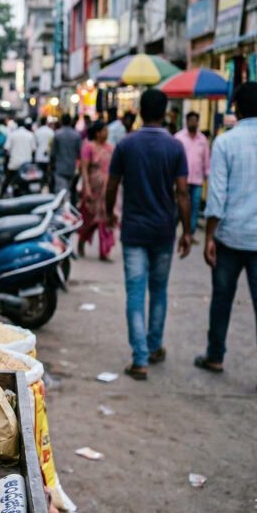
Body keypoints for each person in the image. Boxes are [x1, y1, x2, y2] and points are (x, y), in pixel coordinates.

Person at [196, 82, 257, 397]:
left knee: (222, 299)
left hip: (231, 235)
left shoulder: (226, 142)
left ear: (236, 106)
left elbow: (217, 196)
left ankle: (215, 355)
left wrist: (209, 235)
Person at [105, 89, 192, 381]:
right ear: (166, 112)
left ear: (141, 111)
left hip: (134, 229)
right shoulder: (175, 147)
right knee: (158, 290)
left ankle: (139, 358)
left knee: (135, 292)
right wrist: (187, 231)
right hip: (163, 230)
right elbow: (182, 192)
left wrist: (108, 213)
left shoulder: (126, 145)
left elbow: (112, 185)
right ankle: (153, 346)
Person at [78, 122, 115, 261]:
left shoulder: (111, 148)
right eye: (104, 130)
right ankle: (82, 240)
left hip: (107, 190)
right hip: (93, 189)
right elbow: (84, 170)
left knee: (106, 219)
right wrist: (86, 188)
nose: (107, 133)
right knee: (89, 219)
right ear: (98, 133)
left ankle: (104, 251)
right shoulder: (88, 147)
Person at [173, 111, 210, 236]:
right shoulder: (179, 138)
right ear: (187, 121)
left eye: (195, 120)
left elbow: (206, 160)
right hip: (182, 180)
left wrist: (207, 175)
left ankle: (189, 233)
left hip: (197, 180)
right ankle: (173, 230)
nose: (193, 123)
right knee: (179, 207)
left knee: (194, 208)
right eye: (191, 120)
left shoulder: (203, 140)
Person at [1, 118, 36, 195]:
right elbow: (34, 150)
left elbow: (6, 149)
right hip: (26, 165)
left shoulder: (12, 134)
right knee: (28, 185)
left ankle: (1, 196)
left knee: (7, 181)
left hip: (14, 163)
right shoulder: (30, 135)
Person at [51, 113, 81, 196]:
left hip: (60, 168)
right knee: (70, 192)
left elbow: (53, 153)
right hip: (72, 168)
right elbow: (79, 153)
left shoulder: (57, 134)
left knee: (61, 194)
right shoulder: (76, 135)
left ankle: (64, 208)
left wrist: (51, 166)